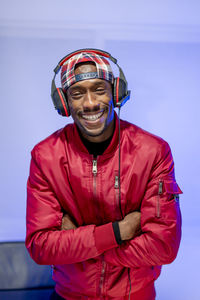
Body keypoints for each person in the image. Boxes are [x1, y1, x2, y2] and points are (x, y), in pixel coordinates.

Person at [25, 49, 182, 300]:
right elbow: (41, 247)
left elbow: (163, 247)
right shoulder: (45, 156)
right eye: (77, 93)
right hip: (68, 296)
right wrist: (119, 232)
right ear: (64, 103)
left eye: (99, 89)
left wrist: (81, 246)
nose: (89, 103)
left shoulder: (154, 151)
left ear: (116, 93)